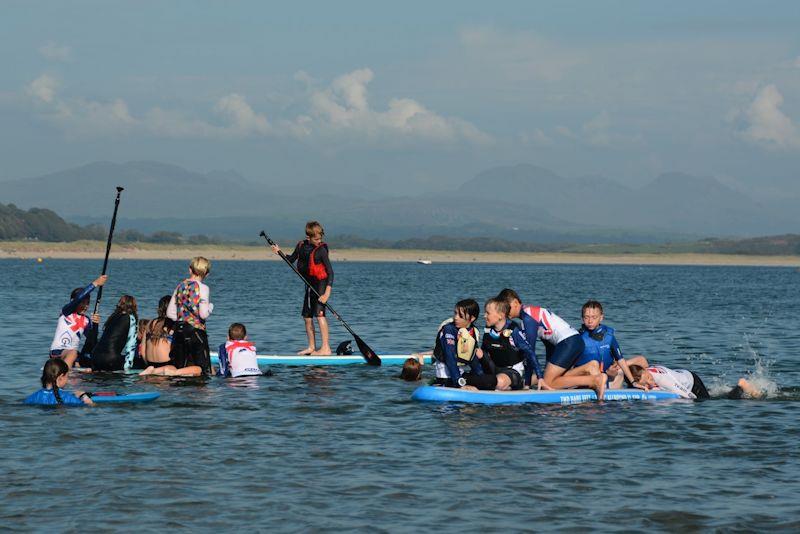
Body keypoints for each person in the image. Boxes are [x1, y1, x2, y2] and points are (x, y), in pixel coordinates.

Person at [497, 289, 606, 399]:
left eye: (506, 307)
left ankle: (595, 380)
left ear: (515, 303)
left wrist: (527, 385)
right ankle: (588, 368)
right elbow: (549, 343)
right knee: (552, 378)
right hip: (573, 341)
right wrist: (548, 368)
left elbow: (530, 352)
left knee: (549, 382)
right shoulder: (530, 313)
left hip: (568, 343)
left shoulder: (528, 318)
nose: (504, 311)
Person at [271, 221, 334, 356]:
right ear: (308, 238)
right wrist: (279, 252)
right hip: (309, 285)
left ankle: (326, 348)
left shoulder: (321, 250)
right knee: (307, 317)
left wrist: (327, 293)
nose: (319, 241)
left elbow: (330, 272)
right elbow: (291, 259)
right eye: (316, 239)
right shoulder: (301, 246)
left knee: (319, 314)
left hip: (321, 285)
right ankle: (311, 347)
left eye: (320, 238)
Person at [466, 297, 543, 391]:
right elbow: (484, 355)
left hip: (512, 371)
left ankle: (520, 383)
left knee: (500, 382)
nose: (484, 316)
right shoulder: (488, 330)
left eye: (488, 313)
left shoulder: (513, 330)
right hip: (493, 369)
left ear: (500, 315)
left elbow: (530, 353)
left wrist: (540, 376)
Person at [160, 257, 213, 376]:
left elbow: (170, 313)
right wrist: (210, 307)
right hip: (196, 332)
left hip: (179, 331)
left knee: (179, 368)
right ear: (207, 274)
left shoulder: (179, 286)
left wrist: (183, 317)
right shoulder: (203, 288)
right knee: (203, 370)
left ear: (190, 270)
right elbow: (203, 314)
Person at [627, 356, 765, 400]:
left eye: (649, 377)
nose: (650, 379)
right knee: (715, 394)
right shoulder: (644, 369)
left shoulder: (663, 380)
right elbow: (642, 360)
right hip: (682, 373)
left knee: (710, 400)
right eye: (647, 380)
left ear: (645, 371)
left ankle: (741, 386)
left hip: (692, 383)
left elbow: (687, 396)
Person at [572, 300, 636, 387]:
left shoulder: (609, 337)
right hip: (584, 381)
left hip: (605, 378)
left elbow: (620, 360)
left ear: (601, 317)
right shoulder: (577, 338)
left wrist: (633, 382)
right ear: (582, 318)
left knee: (620, 371)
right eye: (586, 317)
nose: (590, 321)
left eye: (594, 317)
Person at [49, 274, 107, 367]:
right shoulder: (66, 312)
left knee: (89, 357)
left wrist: (96, 324)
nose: (85, 306)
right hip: (57, 352)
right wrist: (95, 283)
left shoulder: (86, 320)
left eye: (87, 303)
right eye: (82, 303)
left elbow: (92, 341)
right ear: (73, 301)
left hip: (73, 355)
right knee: (73, 353)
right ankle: (65, 372)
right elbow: (78, 298)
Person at [431, 299, 484, 388]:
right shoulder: (449, 329)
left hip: (461, 373)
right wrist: (458, 381)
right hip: (446, 376)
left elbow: (473, 358)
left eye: (460, 315)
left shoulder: (474, 331)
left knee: (490, 381)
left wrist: (481, 376)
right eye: (455, 313)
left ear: (472, 318)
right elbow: (449, 356)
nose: (456, 317)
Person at [88, 295, 139, 372]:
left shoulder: (113, 317)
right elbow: (131, 345)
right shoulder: (131, 318)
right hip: (110, 359)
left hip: (95, 357)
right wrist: (127, 368)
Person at [24, 358, 94, 406]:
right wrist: (83, 396)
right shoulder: (68, 397)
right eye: (67, 376)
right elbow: (90, 406)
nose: (67, 379)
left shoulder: (31, 398)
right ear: (61, 377)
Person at [141, 295, 175, 369]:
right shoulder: (172, 324)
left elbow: (143, 350)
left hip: (150, 364)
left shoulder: (150, 323)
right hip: (166, 365)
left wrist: (147, 365)